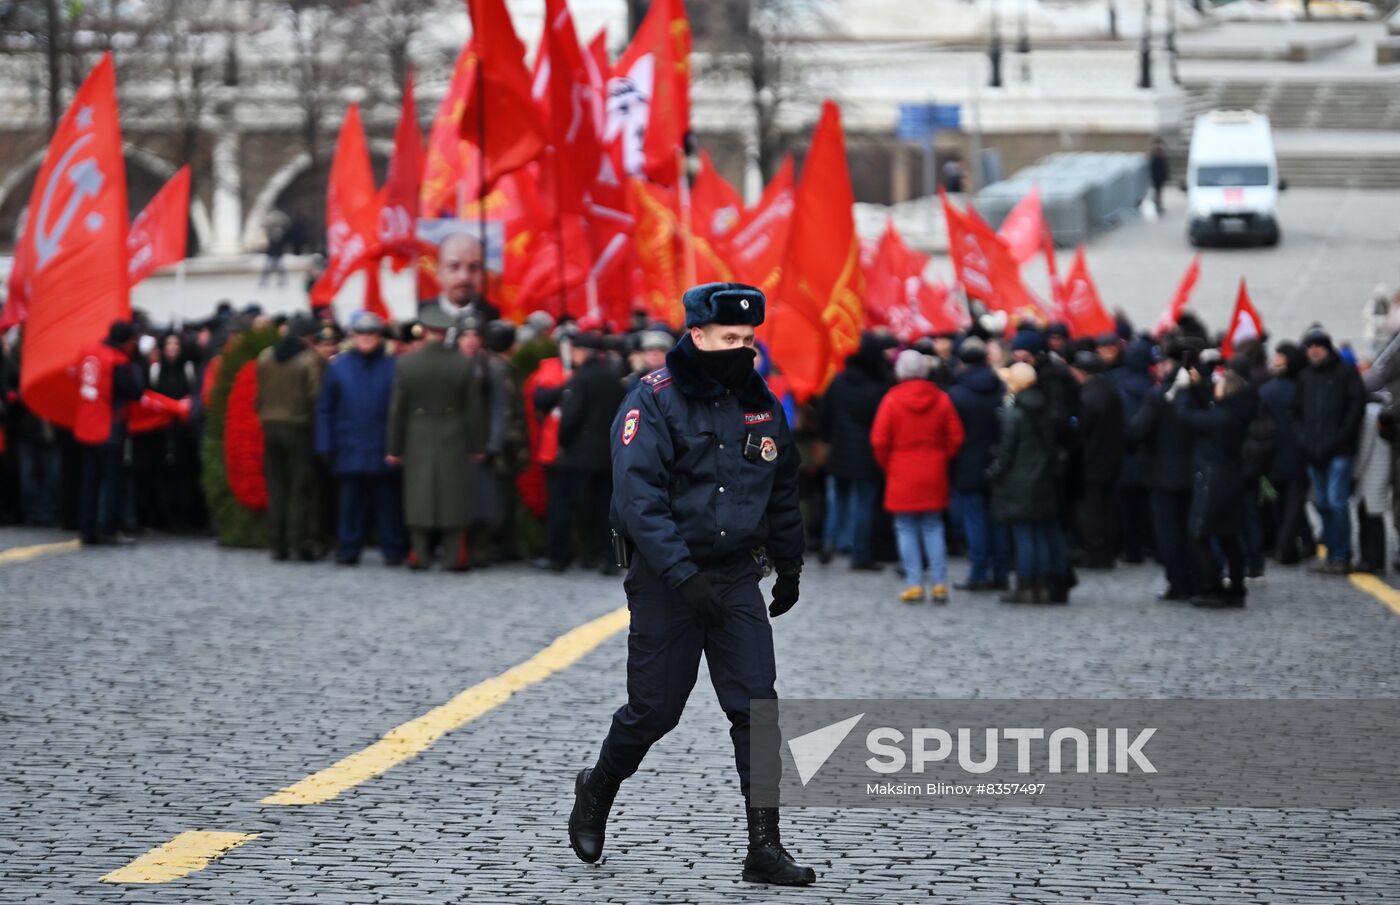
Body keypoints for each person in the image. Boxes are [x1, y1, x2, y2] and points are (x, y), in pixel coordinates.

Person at [569, 283, 814, 886]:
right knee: (654, 711)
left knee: (758, 708)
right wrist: (681, 575)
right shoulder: (652, 399)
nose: (740, 349)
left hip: (734, 576)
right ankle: (597, 786)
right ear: (697, 335)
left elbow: (781, 488)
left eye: (748, 340)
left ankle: (764, 847)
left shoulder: (762, 403)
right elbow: (638, 499)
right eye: (728, 339)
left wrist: (790, 564)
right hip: (665, 580)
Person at [386, 306, 485, 570]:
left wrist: (394, 447)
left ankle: (420, 553)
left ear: (425, 331)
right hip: (454, 433)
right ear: (446, 333)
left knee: (418, 495)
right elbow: (474, 409)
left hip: (416, 433)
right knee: (453, 495)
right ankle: (454, 556)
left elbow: (398, 409)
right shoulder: (463, 363)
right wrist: (478, 444)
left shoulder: (406, 363)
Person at [871, 349, 965, 603]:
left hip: (901, 469)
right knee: (933, 527)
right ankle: (939, 582)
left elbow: (879, 440)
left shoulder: (892, 400)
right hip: (933, 469)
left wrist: (890, 464)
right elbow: (955, 436)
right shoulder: (942, 399)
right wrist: (940, 457)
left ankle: (914, 582)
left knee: (906, 528)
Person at [314, 311, 404, 567]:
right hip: (349, 446)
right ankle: (348, 549)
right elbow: (325, 409)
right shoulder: (338, 367)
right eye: (361, 333)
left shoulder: (393, 365)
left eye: (371, 333)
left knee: (387, 504)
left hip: (382, 446)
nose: (366, 338)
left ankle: (393, 548)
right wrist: (324, 443)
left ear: (379, 336)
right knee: (350, 505)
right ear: (353, 336)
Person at [1174, 367, 1257, 607]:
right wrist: (1199, 385)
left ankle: (1212, 586)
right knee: (1228, 536)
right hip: (1230, 479)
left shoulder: (1222, 418)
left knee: (1198, 534)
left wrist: (1184, 390)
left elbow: (1185, 416)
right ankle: (1237, 588)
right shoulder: (1236, 413)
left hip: (1213, 480)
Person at [546, 332, 626, 572]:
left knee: (562, 506)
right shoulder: (614, 377)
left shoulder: (579, 378)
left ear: (581, 352)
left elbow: (570, 417)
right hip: (607, 455)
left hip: (578, 456)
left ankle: (557, 556)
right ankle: (612, 559)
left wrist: (564, 442)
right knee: (607, 510)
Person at [1129, 339, 1199, 600]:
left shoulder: (1159, 396)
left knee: (1169, 532)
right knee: (1192, 530)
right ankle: (1198, 578)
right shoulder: (1199, 393)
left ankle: (1178, 582)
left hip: (1161, 475)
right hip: (1195, 472)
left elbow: (1137, 431)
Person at [1292, 328, 1364, 574]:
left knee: (1336, 502)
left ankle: (1341, 554)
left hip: (1339, 450)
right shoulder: (1305, 377)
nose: (1313, 351)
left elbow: (1354, 411)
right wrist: (1304, 440)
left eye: (1317, 347)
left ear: (1327, 348)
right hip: (1313, 451)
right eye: (1309, 348)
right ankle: (1332, 552)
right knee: (1322, 504)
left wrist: (1338, 440)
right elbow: (1296, 414)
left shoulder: (1345, 374)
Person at [989, 362, 1061, 604]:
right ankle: (1041, 585)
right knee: (1039, 533)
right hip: (1043, 478)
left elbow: (1006, 451)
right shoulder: (1044, 406)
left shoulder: (1015, 412)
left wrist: (993, 472)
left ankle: (1026, 585)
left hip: (1019, 480)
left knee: (1024, 535)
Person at [819, 334, 891, 571]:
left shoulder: (839, 381)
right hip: (866, 454)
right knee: (863, 504)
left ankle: (827, 542)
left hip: (839, 450)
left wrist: (827, 440)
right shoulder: (878, 386)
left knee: (837, 501)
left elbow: (825, 413)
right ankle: (860, 554)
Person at [256, 316, 323, 561]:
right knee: (299, 488)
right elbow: (316, 396)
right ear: (307, 337)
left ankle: (277, 543)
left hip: (269, 425)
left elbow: (259, 392)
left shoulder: (265, 356)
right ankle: (299, 542)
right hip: (297, 427)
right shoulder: (308, 360)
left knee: (276, 487)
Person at [75, 320, 144, 545]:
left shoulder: (89, 352)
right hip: (109, 428)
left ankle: (87, 529)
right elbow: (133, 391)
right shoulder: (118, 360)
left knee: (89, 481)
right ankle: (109, 529)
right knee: (113, 481)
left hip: (86, 425)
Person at [948, 337, 1010, 590]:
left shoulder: (956, 394)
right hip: (996, 460)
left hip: (967, 462)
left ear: (961, 362)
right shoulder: (1001, 388)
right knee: (997, 521)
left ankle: (978, 573)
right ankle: (1001, 573)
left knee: (975, 521)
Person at [1259, 342, 1312, 564]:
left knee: (1280, 503)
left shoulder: (1265, 391)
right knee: (1294, 504)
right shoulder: (1304, 389)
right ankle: (1288, 546)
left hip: (1272, 455)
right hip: (1299, 454)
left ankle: (1286, 545)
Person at [1071, 350, 1125, 569]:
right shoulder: (1111, 391)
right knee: (1108, 509)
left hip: (1091, 461)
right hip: (1111, 460)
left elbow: (1081, 428)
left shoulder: (1087, 396)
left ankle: (1096, 554)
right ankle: (1107, 552)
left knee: (1091, 512)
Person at [420, 233, 501, 322]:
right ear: (439, 272)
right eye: (454, 267)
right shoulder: (420, 313)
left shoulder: (495, 317)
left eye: (474, 267)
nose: (464, 277)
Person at [1149, 138, 1170, 214]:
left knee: (1159, 192)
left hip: (1160, 177)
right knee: (1157, 192)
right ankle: (1157, 205)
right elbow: (1152, 167)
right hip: (1156, 177)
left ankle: (1159, 205)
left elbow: (1165, 167)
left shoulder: (1162, 154)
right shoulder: (1154, 154)